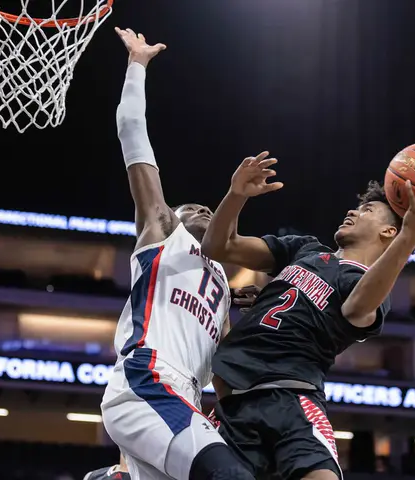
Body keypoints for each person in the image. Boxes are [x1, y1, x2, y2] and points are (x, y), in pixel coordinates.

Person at [201, 152, 415, 480]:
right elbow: (218, 247)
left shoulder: (369, 289)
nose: (353, 210)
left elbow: (355, 307)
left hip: (289, 399)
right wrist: (236, 195)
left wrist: (410, 235)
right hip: (232, 406)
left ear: (389, 233)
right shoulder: (305, 250)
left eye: (367, 210)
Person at [100, 28, 256, 480]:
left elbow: (225, 367)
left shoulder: (225, 285)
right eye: (193, 207)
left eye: (209, 207)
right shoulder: (164, 232)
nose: (204, 208)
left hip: (186, 398)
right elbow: (132, 132)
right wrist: (137, 65)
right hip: (148, 379)